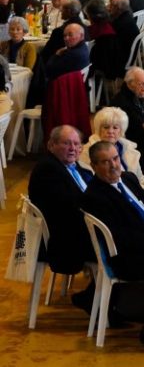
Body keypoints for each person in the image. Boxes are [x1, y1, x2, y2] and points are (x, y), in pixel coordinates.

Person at [81, 141, 144, 350]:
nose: (113, 166)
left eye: (115, 159)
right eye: (105, 162)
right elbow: (120, 237)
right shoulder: (94, 196)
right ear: (94, 165)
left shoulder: (128, 178)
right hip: (124, 256)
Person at [28, 125, 95, 309]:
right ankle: (96, 298)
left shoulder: (71, 167)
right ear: (51, 145)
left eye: (76, 144)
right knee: (120, 246)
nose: (73, 148)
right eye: (66, 143)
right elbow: (69, 208)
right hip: (66, 240)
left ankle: (96, 297)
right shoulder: (48, 170)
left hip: (77, 229)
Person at [80, 106, 144, 177]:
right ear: (99, 129)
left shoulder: (129, 149)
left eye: (115, 128)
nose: (110, 131)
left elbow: (140, 179)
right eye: (106, 127)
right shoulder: (87, 152)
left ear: (121, 131)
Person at [114, 65, 144, 169]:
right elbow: (137, 132)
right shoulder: (122, 103)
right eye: (141, 84)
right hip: (134, 150)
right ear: (130, 83)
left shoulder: (136, 97)